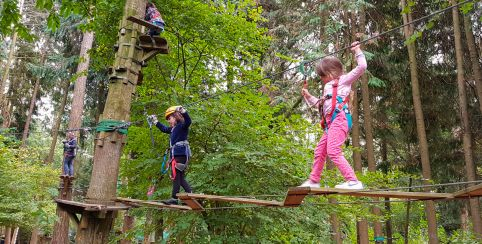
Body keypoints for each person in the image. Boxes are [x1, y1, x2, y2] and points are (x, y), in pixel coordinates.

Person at [300, 41, 367, 190]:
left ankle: (353, 181)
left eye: (323, 76)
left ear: (331, 73)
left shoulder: (342, 81)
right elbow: (320, 104)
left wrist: (357, 51)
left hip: (340, 119)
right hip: (331, 124)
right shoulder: (327, 89)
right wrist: (308, 95)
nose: (322, 79)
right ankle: (313, 180)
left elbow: (362, 67)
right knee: (320, 151)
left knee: (333, 151)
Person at [150, 106, 192, 205]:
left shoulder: (182, 125)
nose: (168, 121)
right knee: (180, 178)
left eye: (170, 118)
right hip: (177, 155)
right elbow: (164, 129)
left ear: (176, 116)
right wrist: (155, 121)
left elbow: (188, 121)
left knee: (176, 176)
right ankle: (190, 195)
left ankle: (174, 198)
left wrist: (183, 112)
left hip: (181, 154)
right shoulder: (173, 129)